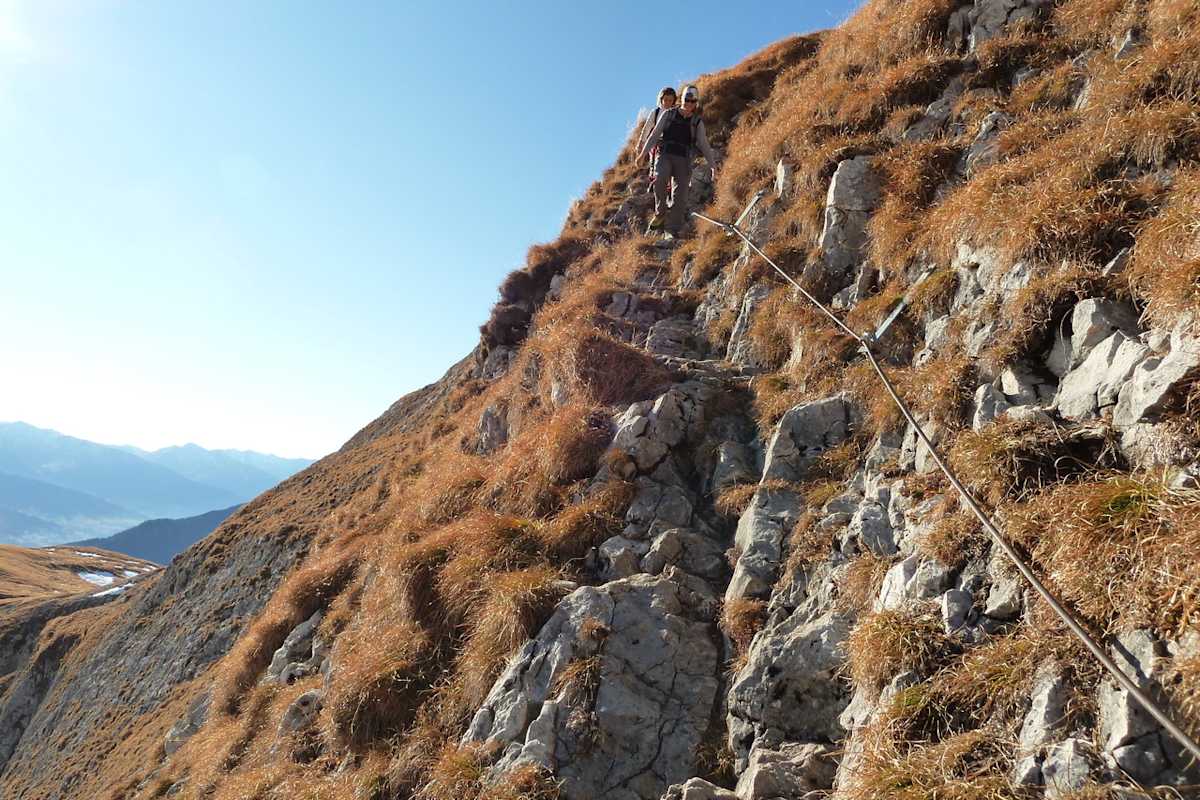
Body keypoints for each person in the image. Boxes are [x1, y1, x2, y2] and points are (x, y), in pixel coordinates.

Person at [637, 85, 717, 237]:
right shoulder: (668, 114)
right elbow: (654, 135)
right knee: (660, 179)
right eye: (687, 100)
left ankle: (672, 229)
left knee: (680, 196)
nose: (689, 104)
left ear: (696, 103)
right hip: (665, 155)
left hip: (684, 160)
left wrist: (713, 166)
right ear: (681, 100)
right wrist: (642, 154)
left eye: (692, 101)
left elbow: (704, 144)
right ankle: (660, 213)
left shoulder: (697, 122)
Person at [637, 86, 677, 191]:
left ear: (674, 100)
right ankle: (654, 184)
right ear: (661, 100)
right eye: (665, 100)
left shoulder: (676, 113)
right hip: (657, 143)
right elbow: (646, 128)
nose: (668, 103)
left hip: (672, 143)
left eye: (670, 100)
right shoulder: (655, 113)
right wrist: (641, 142)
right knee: (655, 164)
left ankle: (669, 188)